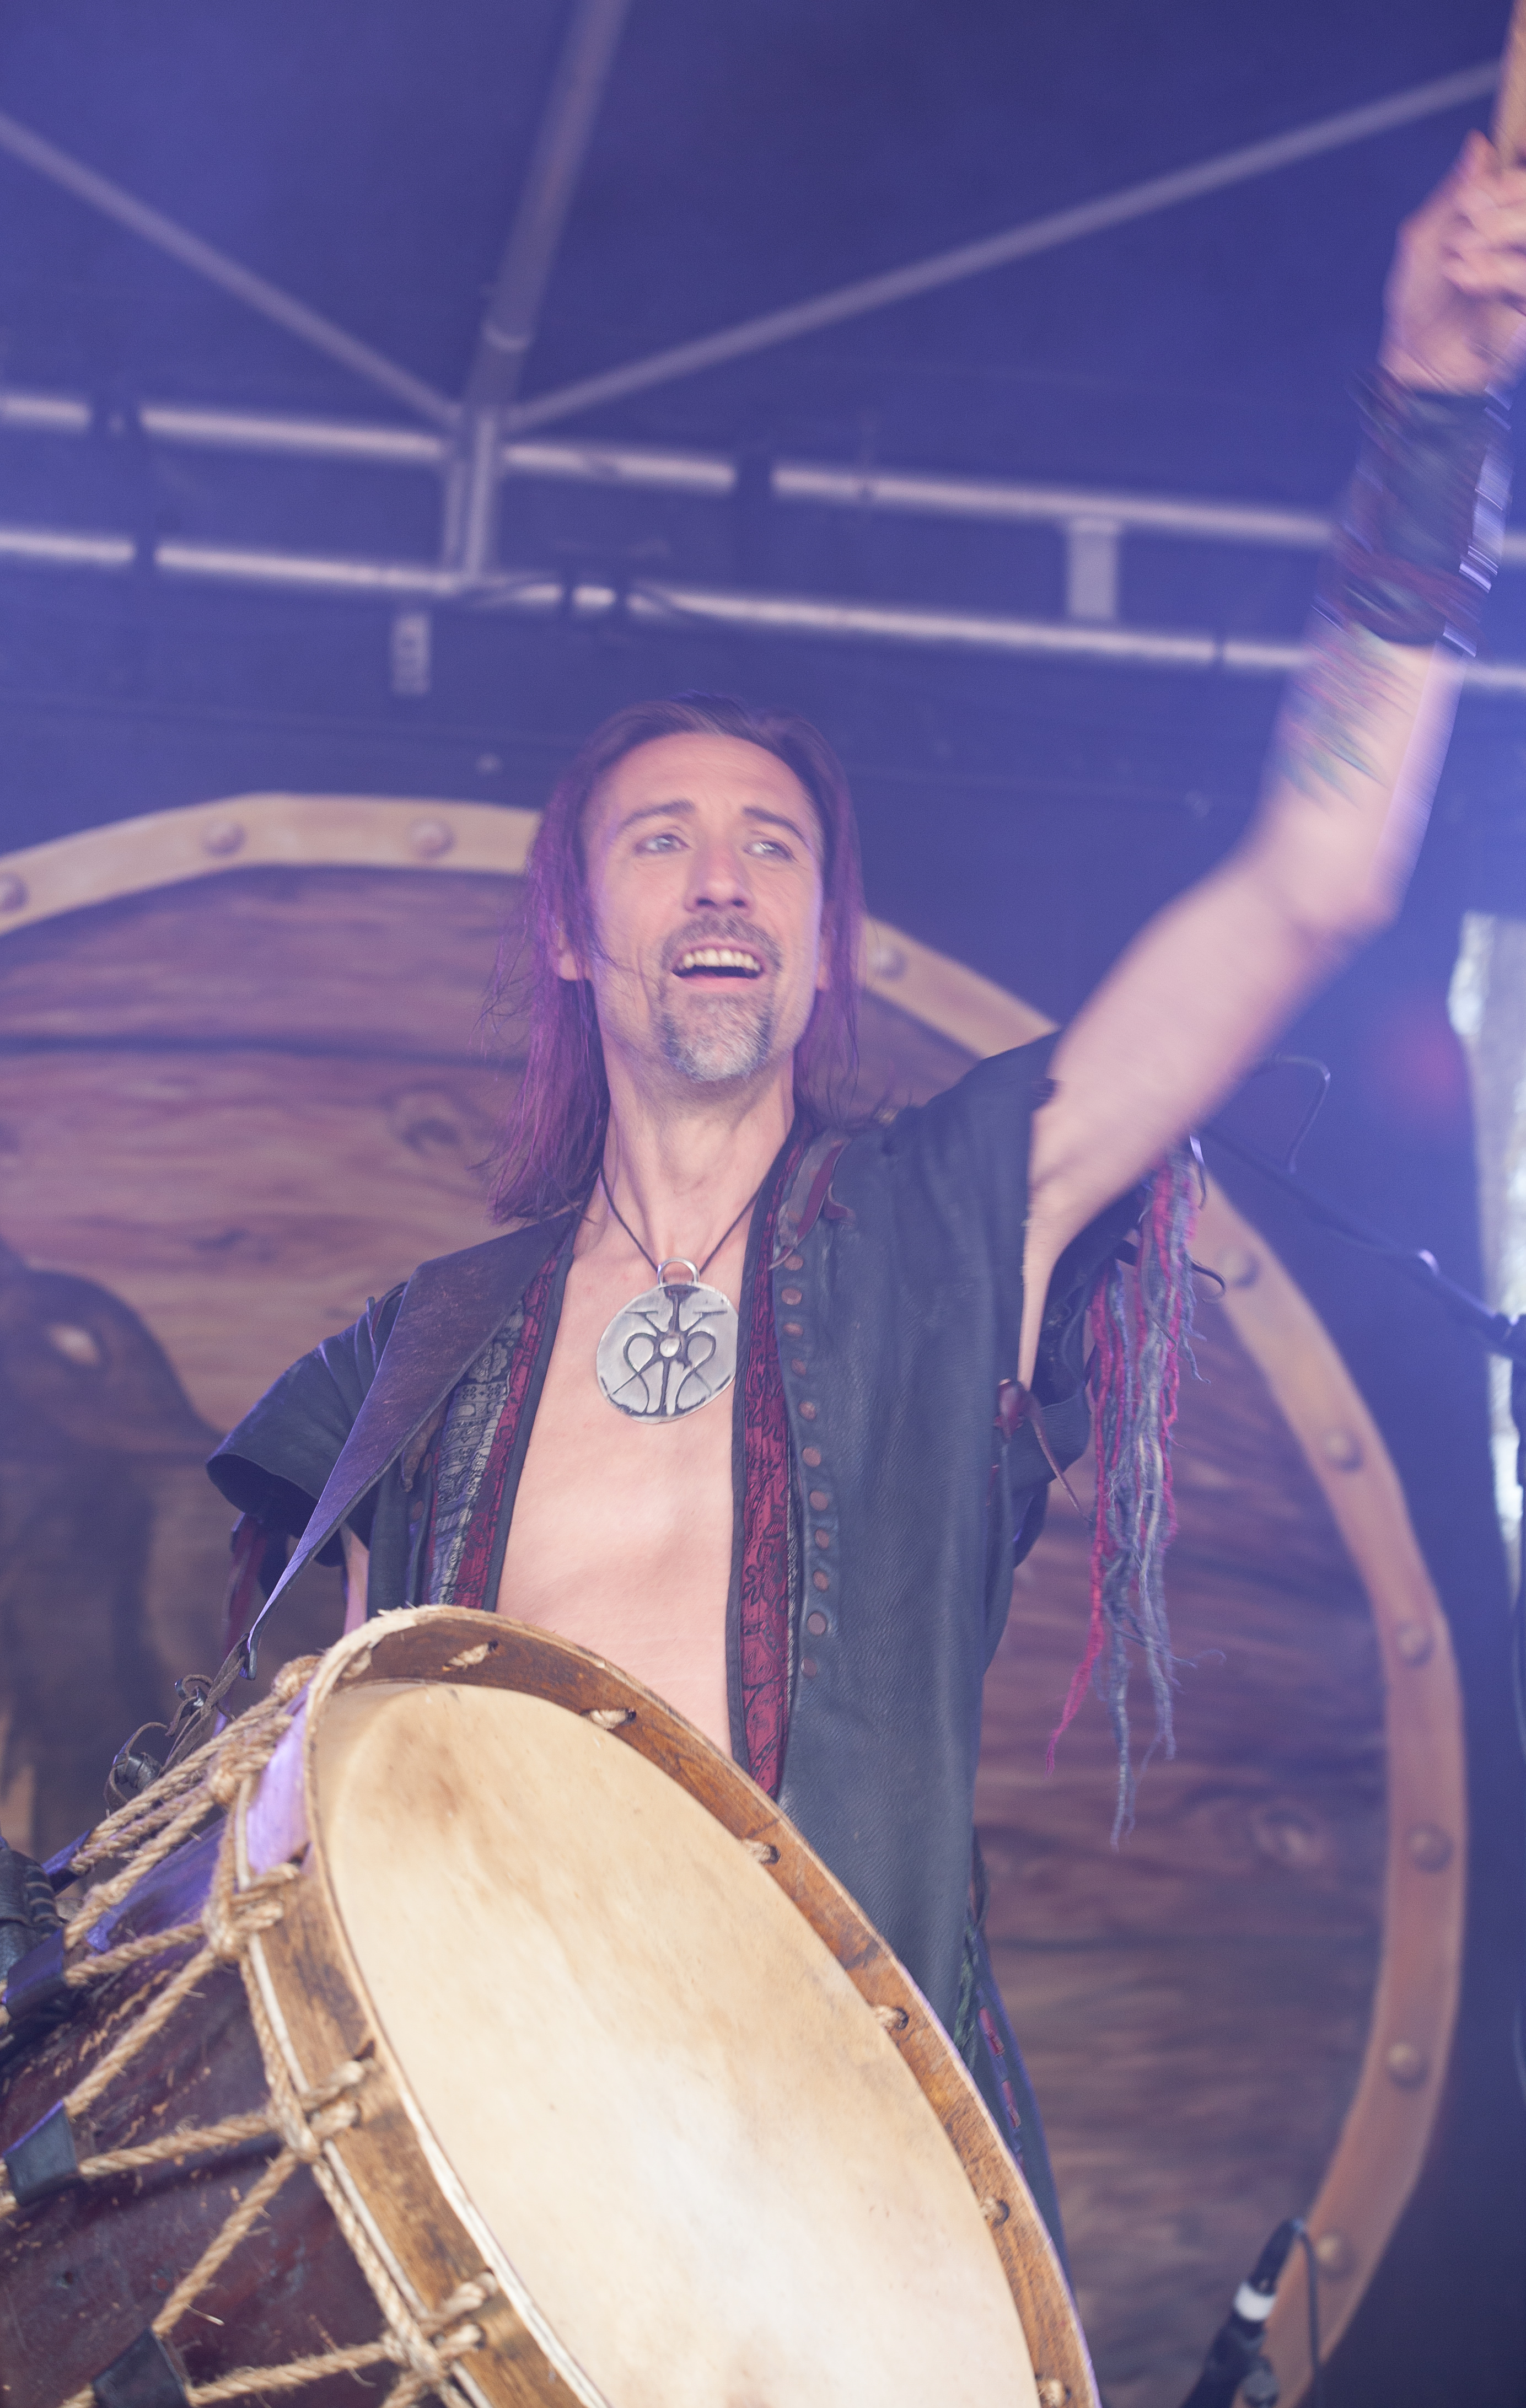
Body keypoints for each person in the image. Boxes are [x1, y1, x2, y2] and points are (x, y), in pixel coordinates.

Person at [206, 138, 1526, 2260]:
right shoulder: (429, 1347)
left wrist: (1434, 410)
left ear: (823, 948)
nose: (722, 878)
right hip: (476, 2167)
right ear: (572, 932)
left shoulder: (950, 1223)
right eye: (660, 842)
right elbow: (295, 1787)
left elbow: (1319, 881)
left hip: (848, 2204)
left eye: (774, 848)